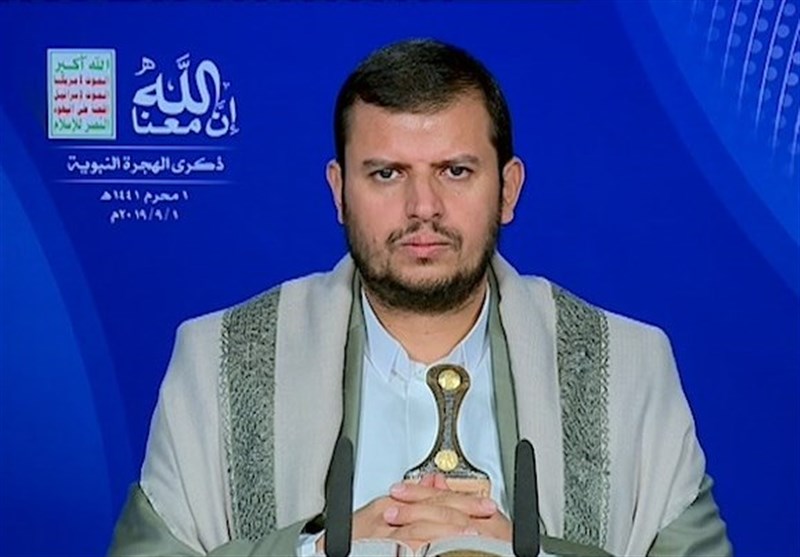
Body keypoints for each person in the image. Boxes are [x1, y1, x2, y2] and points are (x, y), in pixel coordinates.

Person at [108, 39, 731, 556]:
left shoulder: (627, 366)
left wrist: (531, 555)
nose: (423, 208)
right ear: (339, 192)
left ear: (508, 190)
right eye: (387, 174)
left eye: (455, 171)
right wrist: (313, 553)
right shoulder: (220, 360)